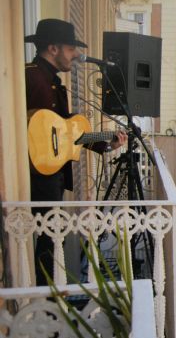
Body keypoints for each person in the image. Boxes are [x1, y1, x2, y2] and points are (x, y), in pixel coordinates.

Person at [25, 19, 127, 285]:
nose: (75, 56)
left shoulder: (54, 82)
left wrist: (106, 143)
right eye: (71, 50)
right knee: (46, 242)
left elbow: (70, 132)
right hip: (37, 173)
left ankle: (47, 293)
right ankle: (43, 298)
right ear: (53, 48)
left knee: (50, 241)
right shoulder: (31, 77)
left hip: (52, 172)